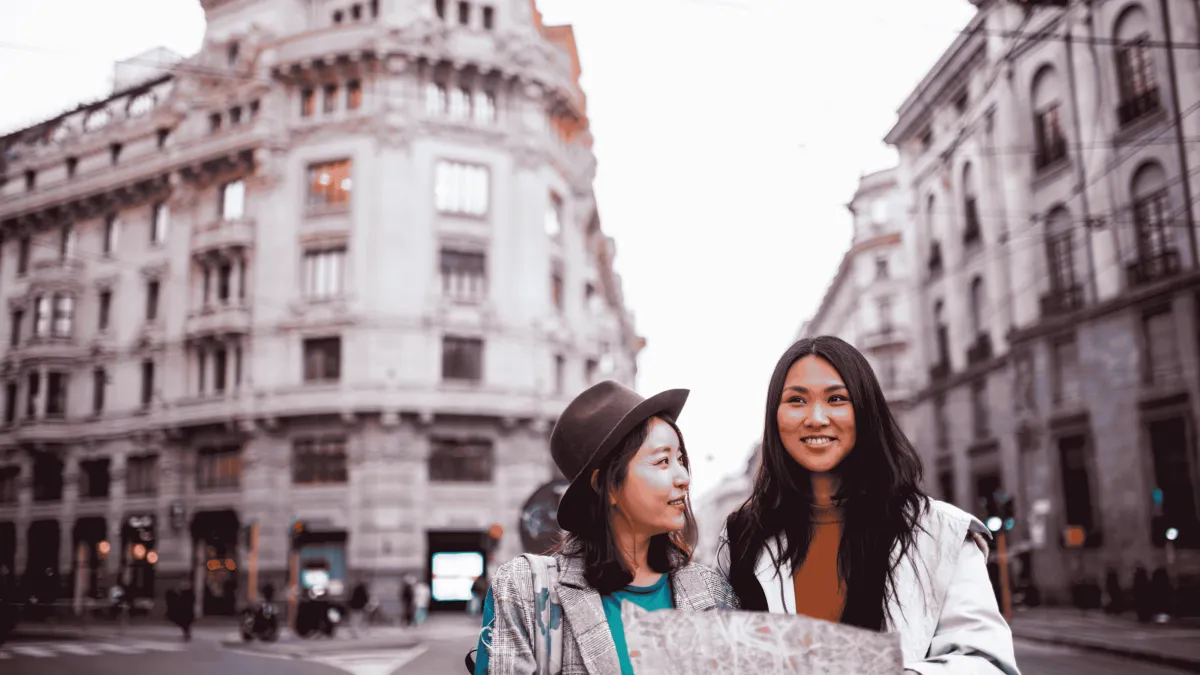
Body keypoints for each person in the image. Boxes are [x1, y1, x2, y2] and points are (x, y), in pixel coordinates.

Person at [717, 336, 1020, 674]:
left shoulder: (942, 532)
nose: (816, 418)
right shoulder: (741, 537)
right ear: (775, 417)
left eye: (836, 399)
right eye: (797, 400)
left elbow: (990, 664)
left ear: (864, 411)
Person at [476, 380, 736, 675]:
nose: (683, 477)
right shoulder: (526, 591)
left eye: (681, 459)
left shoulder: (711, 590)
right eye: (663, 461)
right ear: (607, 484)